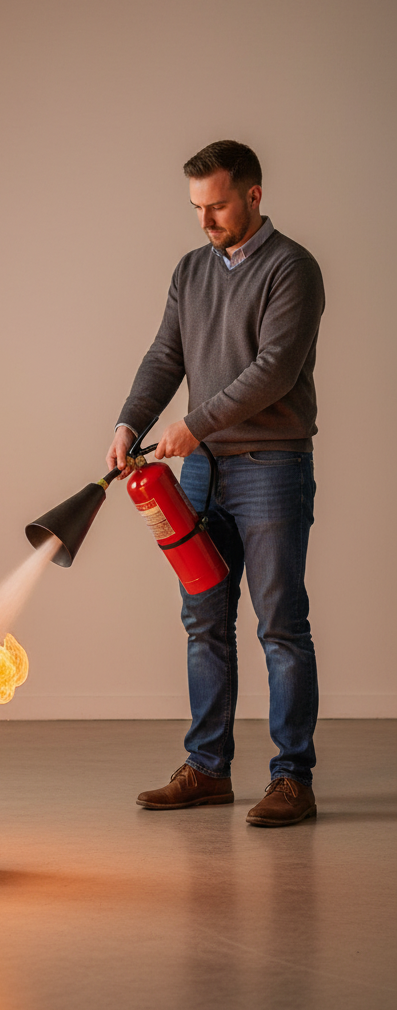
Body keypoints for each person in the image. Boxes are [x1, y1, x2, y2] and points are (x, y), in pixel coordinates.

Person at [107, 140, 325, 827]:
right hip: (199, 474)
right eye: (197, 207)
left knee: (280, 626)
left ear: (254, 196)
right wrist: (128, 422)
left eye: (218, 205)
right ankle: (207, 769)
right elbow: (165, 354)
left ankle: (293, 779)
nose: (205, 221)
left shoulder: (292, 268)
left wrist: (195, 425)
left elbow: (274, 371)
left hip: (269, 466)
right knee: (204, 620)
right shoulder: (191, 270)